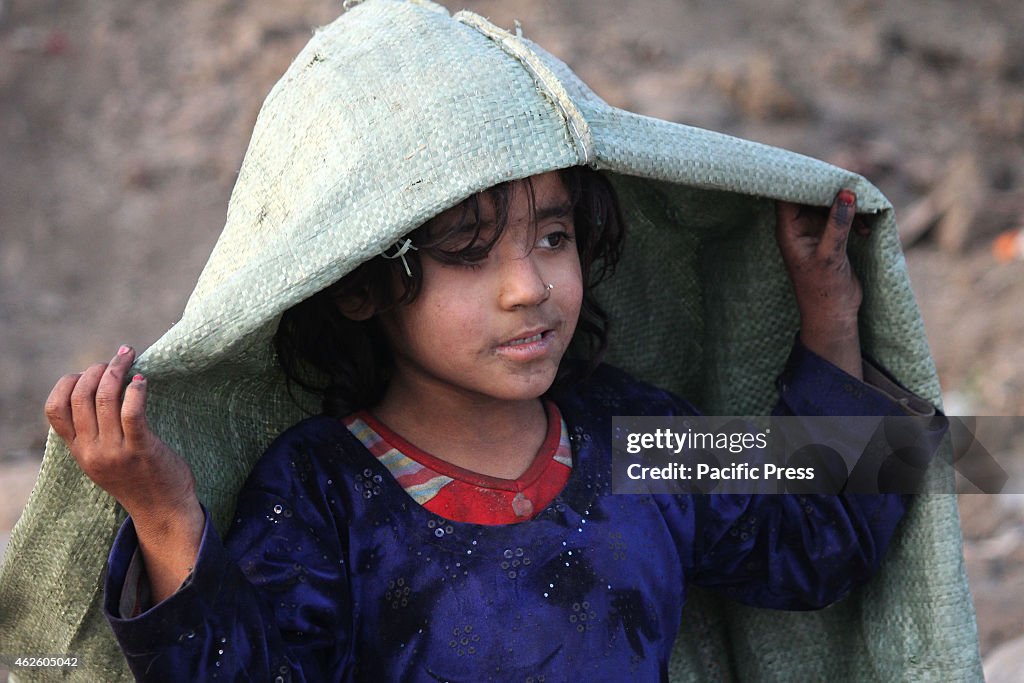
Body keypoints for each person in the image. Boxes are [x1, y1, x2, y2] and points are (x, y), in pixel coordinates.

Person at [3, 1, 982, 681]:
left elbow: (812, 543)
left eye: (553, 236)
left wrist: (828, 315)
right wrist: (167, 513)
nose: (530, 286)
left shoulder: (632, 429)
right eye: (472, 252)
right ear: (358, 287)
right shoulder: (321, 489)